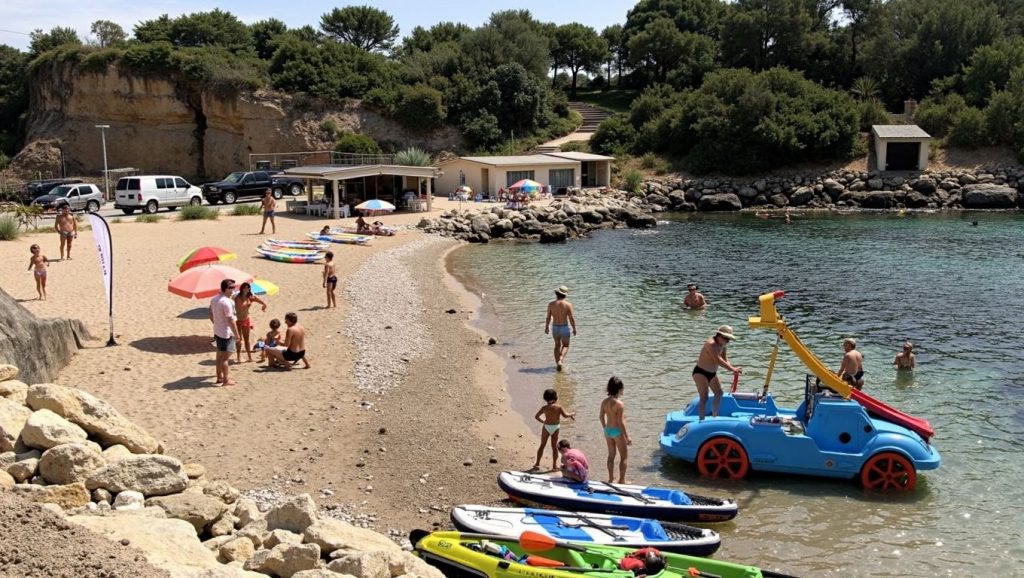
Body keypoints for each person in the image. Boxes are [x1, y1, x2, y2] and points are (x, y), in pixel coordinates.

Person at [692, 325, 742, 421]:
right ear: (719, 335)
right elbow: (718, 360)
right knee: (704, 397)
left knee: (719, 393)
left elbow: (724, 359)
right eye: (726, 338)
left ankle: (714, 417)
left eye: (729, 339)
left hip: (712, 373)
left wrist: (734, 369)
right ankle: (701, 420)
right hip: (700, 372)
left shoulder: (723, 345)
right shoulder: (711, 344)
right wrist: (732, 369)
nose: (728, 341)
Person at [532, 389, 576, 471]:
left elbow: (536, 416)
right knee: (554, 446)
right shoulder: (558, 407)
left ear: (545, 398)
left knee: (542, 445)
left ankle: (537, 463)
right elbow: (565, 415)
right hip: (555, 427)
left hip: (547, 427)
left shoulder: (544, 408)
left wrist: (543, 421)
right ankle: (554, 466)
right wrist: (572, 414)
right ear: (555, 397)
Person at [209, 279, 240, 386]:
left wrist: (216, 323)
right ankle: (225, 380)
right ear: (226, 288)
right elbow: (230, 320)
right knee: (225, 358)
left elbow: (210, 313)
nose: (233, 290)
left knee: (219, 356)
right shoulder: (226, 302)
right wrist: (237, 334)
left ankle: (219, 377)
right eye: (231, 288)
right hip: (226, 333)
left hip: (218, 331)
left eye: (234, 287)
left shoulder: (214, 299)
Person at [599, 377, 630, 484]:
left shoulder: (604, 402)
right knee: (624, 457)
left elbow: (601, 416)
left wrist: (605, 428)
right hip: (617, 431)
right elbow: (621, 422)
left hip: (608, 431)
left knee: (611, 455)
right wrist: (627, 436)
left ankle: (611, 478)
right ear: (620, 389)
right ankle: (622, 480)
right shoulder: (619, 404)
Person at [544, 285, 577, 371]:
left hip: (555, 327)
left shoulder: (551, 304)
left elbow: (548, 317)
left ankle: (558, 362)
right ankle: (561, 360)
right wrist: (574, 328)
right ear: (565, 295)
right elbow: (571, 318)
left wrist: (546, 327)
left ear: (557, 294)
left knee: (557, 346)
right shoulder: (568, 305)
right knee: (565, 345)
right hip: (564, 327)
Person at [233, 282, 267, 363]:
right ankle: (238, 357)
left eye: (248, 288)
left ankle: (249, 357)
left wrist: (264, 305)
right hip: (237, 320)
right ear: (242, 289)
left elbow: (261, 301)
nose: (247, 289)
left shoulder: (250, 297)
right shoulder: (236, 297)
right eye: (245, 287)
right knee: (239, 339)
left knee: (246, 339)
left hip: (246, 320)